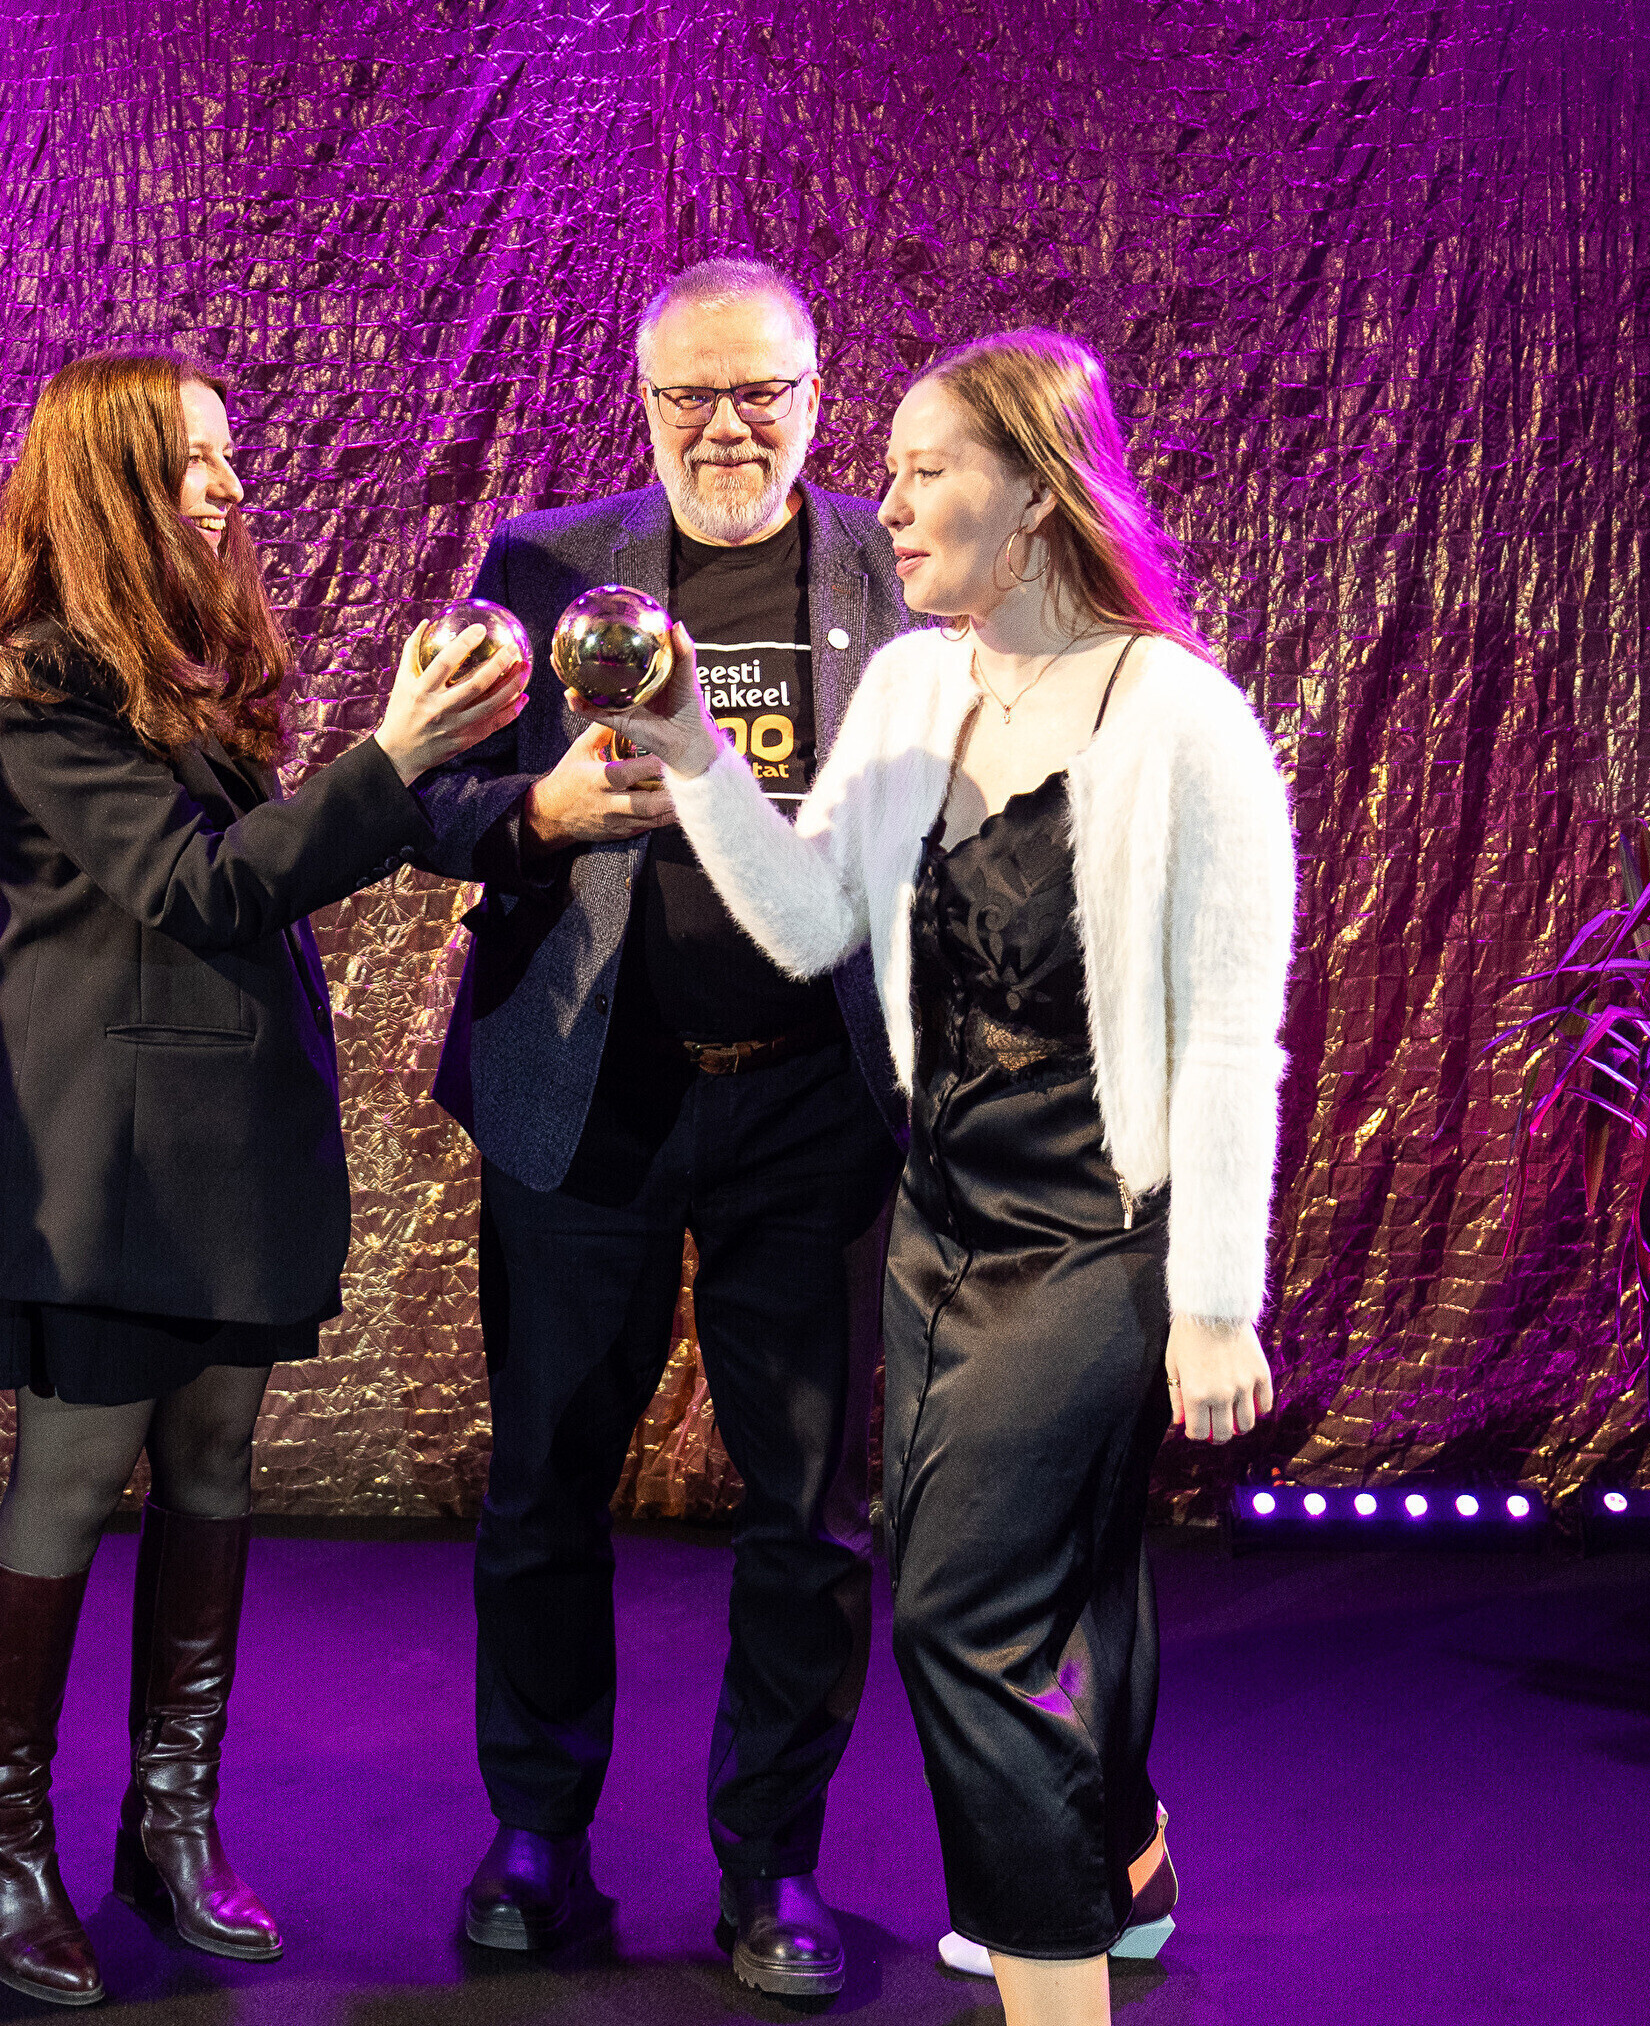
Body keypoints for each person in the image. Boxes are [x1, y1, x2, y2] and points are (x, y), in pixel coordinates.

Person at [599, 328, 1294, 2026]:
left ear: (1037, 496)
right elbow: (807, 920)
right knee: (1076, 1574)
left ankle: (1055, 1979)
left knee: (965, 1619)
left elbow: (1228, 1035)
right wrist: (693, 749)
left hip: (1099, 1240)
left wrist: (1214, 1303)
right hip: (940, 1226)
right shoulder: (915, 687)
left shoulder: (1182, 722)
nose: (889, 506)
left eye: (927, 473)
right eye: (893, 471)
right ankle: (1125, 1864)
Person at [0, 350, 526, 2008]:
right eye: (195, 459)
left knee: (212, 1462)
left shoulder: (172, 670)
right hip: (107, 1170)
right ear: (111, 475)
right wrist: (389, 757)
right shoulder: (39, 684)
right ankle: (2, 1851)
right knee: (68, 1481)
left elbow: (264, 865)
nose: (231, 486)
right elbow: (198, 891)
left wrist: (440, 779)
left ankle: (169, 1822)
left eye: (228, 456)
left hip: (232, 1151)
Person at [410, 258, 915, 1998]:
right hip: (591, 1095)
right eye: (690, 395)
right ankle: (535, 1836)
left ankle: (772, 1867)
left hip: (814, 1103)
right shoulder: (545, 564)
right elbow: (429, 796)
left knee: (809, 1510)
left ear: (817, 393)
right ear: (641, 400)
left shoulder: (889, 571)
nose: (726, 427)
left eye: (760, 392)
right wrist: (543, 814)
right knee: (546, 1483)